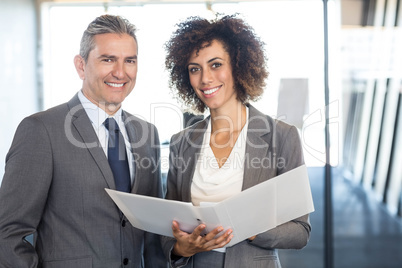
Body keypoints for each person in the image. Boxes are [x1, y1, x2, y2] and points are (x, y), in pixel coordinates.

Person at [0, 14, 167, 267]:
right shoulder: (41, 130)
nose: (120, 72)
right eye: (108, 59)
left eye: (129, 61)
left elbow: (154, 236)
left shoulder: (147, 134)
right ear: (81, 65)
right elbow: (8, 233)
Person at [161, 14, 311, 268]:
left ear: (238, 67)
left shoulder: (281, 136)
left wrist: (249, 228)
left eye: (216, 64)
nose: (205, 78)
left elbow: (300, 232)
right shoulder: (181, 142)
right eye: (194, 69)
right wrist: (180, 249)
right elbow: (168, 229)